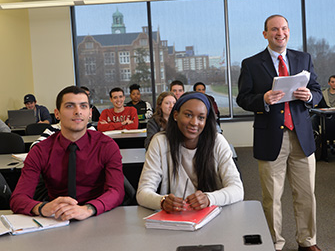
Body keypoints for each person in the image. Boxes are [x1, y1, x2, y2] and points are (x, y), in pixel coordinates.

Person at [236, 15, 322, 251]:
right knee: (272, 198)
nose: (280, 33)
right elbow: (243, 98)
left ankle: (308, 241)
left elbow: (317, 90)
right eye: (274, 29)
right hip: (270, 137)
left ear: (289, 31)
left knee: (306, 194)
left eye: (283, 28)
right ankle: (274, 243)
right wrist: (263, 99)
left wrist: (310, 97)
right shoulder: (251, 64)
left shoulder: (303, 58)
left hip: (301, 137)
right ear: (265, 34)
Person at [10, 86, 124, 221]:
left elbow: (116, 191)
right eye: (70, 106)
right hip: (57, 218)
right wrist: (42, 207)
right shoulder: (41, 150)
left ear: (90, 113)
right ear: (57, 114)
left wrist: (88, 209)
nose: (78, 112)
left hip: (96, 216)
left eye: (83, 106)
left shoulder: (106, 146)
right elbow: (18, 198)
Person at [137, 92, 243, 212]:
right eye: (188, 115)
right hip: (174, 219)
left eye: (201, 118)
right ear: (176, 115)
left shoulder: (217, 141)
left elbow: (237, 190)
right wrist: (162, 201)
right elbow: (142, 192)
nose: (194, 122)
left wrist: (209, 199)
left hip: (212, 216)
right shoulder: (160, 142)